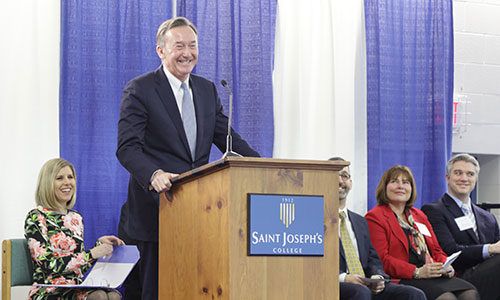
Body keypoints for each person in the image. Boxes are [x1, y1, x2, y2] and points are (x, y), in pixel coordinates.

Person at [116, 17, 259, 300]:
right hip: (157, 213)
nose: (187, 53)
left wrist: (264, 166)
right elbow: (127, 148)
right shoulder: (140, 89)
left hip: (201, 214)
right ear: (161, 51)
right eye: (178, 46)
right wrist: (154, 174)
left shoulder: (207, 90)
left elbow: (228, 139)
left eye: (192, 46)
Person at [365, 165, 479, 300]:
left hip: (430, 274)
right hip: (403, 277)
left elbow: (436, 250)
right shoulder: (375, 217)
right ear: (384, 187)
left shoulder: (419, 215)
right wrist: (416, 272)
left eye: (406, 182)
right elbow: (382, 259)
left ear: (411, 188)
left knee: (470, 293)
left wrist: (445, 265)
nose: (400, 186)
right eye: (394, 181)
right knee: (447, 298)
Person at [24, 158, 124, 300]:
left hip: (75, 286)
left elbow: (78, 267)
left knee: (114, 295)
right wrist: (92, 253)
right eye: (60, 178)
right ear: (47, 183)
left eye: (70, 177)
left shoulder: (76, 218)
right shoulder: (36, 217)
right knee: (99, 296)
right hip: (49, 289)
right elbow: (48, 264)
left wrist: (100, 245)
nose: (67, 182)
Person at [329, 158, 426, 300]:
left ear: (351, 182)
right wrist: (344, 278)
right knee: (361, 292)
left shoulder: (359, 221)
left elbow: (373, 258)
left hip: (367, 284)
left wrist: (378, 276)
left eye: (344, 176)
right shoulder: (313, 219)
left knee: (414, 295)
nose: (340, 181)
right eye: (333, 175)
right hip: (336, 284)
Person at [422, 153, 500, 300]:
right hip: (457, 278)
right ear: (447, 178)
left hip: (491, 275)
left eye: (470, 174)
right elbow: (449, 251)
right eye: (458, 173)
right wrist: (490, 249)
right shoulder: (433, 211)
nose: (464, 178)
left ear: (476, 178)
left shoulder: (488, 217)